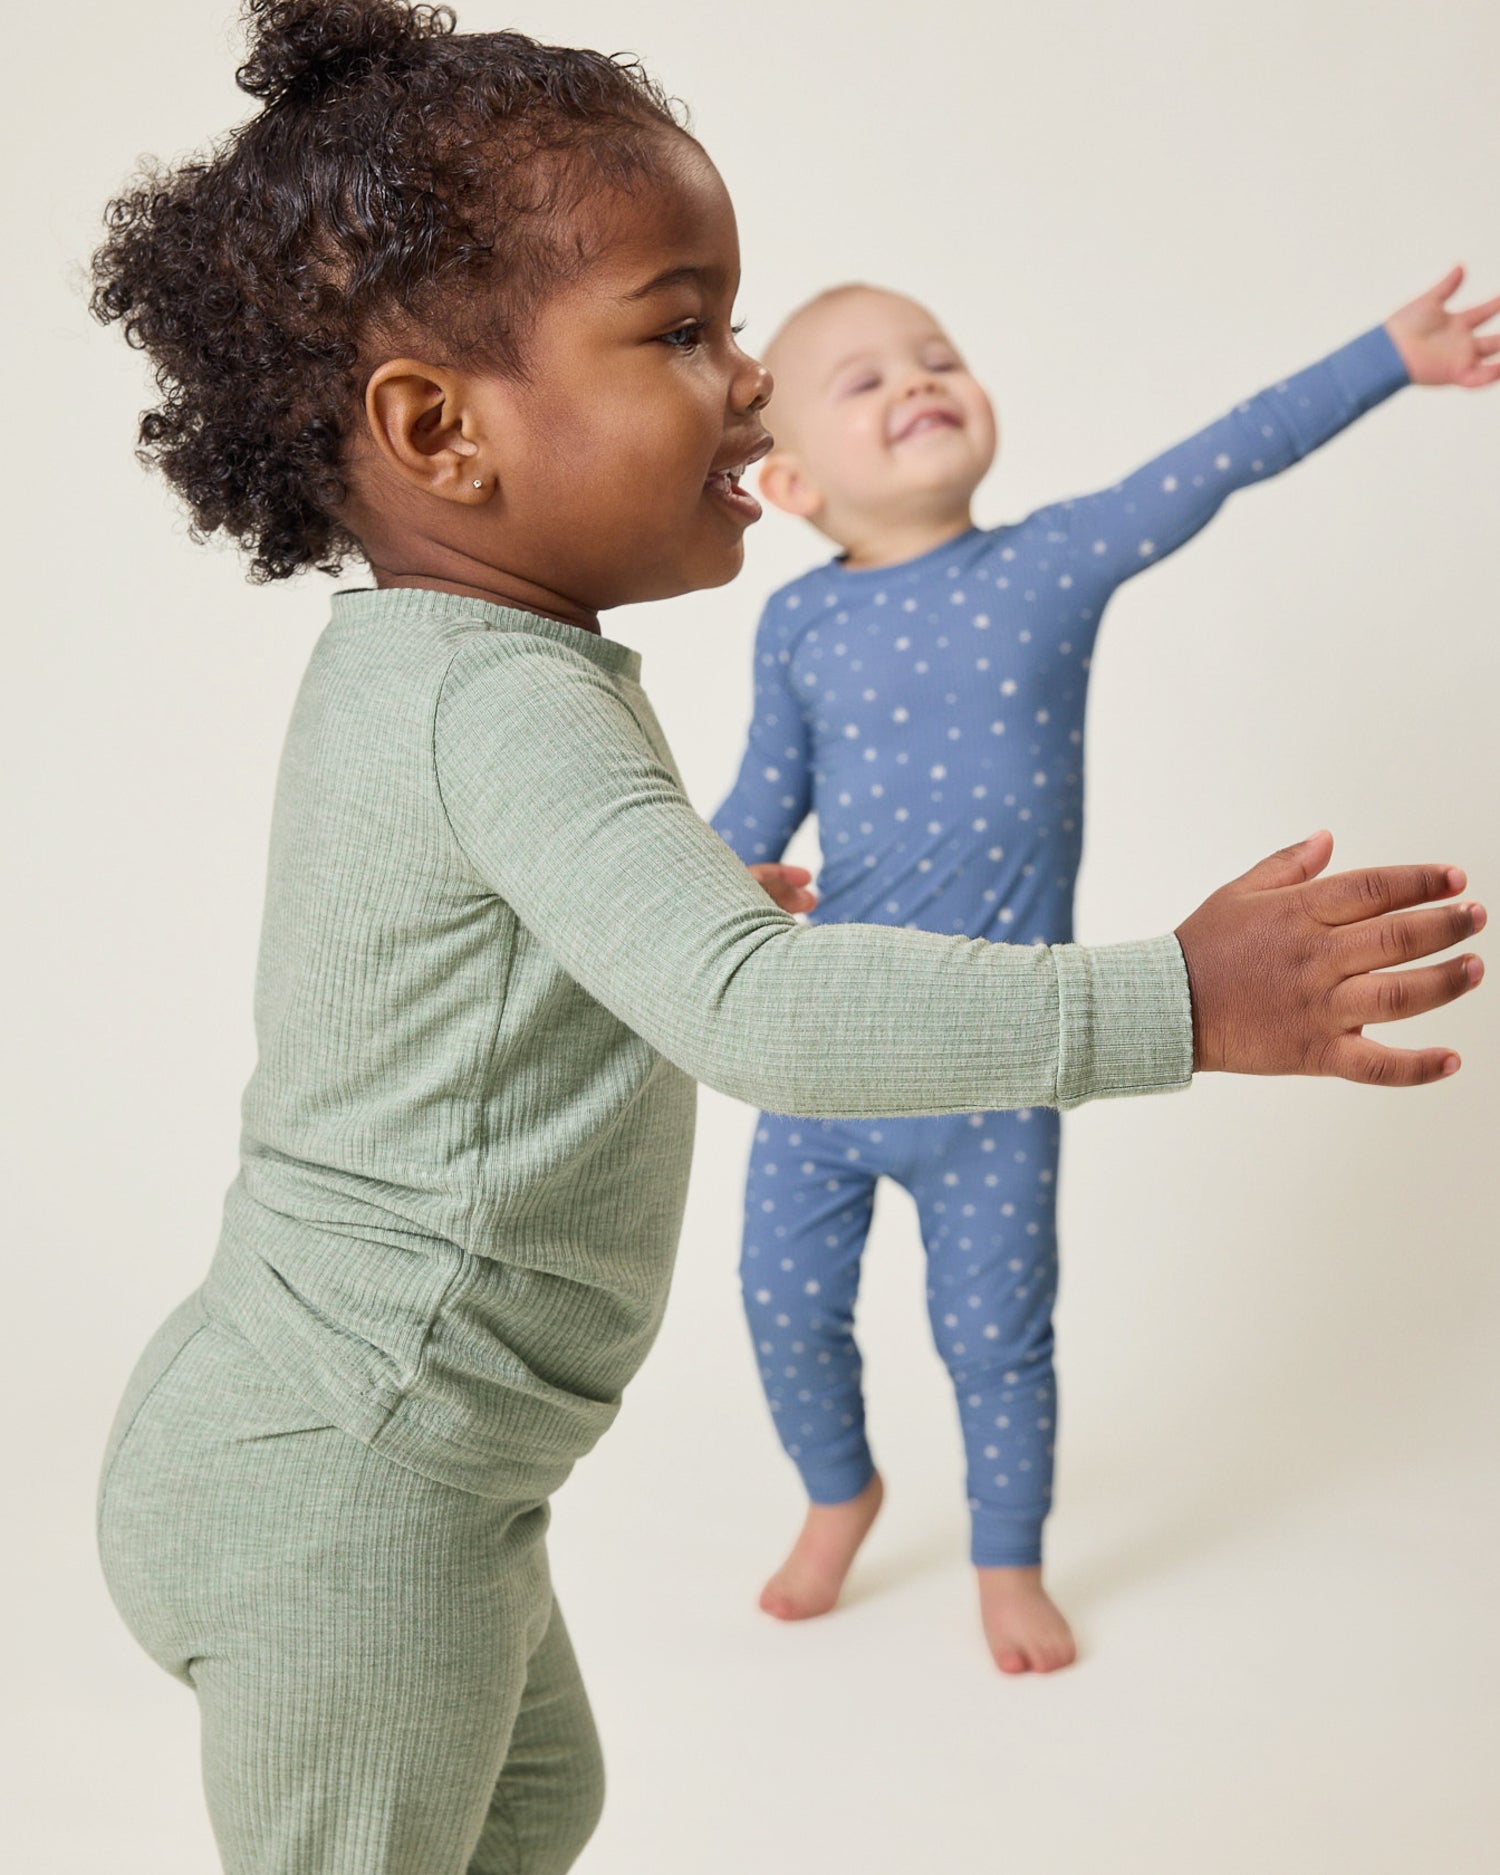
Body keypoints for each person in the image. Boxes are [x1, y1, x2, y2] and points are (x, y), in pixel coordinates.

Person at [90, 3, 1482, 1869]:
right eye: (681, 329)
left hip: (380, 1451)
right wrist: (1181, 998)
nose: (748, 381)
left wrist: (665, 909)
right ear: (439, 429)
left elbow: (456, 951)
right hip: (360, 1488)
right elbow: (767, 1022)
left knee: (538, 1806)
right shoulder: (503, 701)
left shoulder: (448, 672)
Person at [712, 276, 1499, 1672]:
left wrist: (1389, 354)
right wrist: (696, 894)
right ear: (790, 482)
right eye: (865, 380)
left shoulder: (1052, 563)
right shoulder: (799, 628)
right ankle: (842, 1495)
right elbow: (755, 808)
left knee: (999, 1342)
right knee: (783, 1305)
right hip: (826, 1052)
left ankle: (1007, 1562)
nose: (916, 381)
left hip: (1004, 1066)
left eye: (938, 355)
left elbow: (1222, 455)